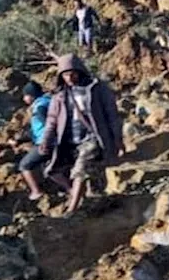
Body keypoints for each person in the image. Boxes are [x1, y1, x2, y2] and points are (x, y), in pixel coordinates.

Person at [37, 55, 122, 214]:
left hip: (93, 137)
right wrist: (46, 140)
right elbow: (52, 120)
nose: (70, 77)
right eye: (65, 74)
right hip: (69, 140)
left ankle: (72, 208)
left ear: (80, 71)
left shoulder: (97, 88)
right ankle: (91, 200)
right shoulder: (59, 95)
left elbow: (112, 114)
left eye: (72, 73)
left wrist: (117, 139)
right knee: (53, 171)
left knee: (81, 169)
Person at [18, 81, 71, 201]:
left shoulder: (40, 107)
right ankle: (70, 190)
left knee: (24, 165)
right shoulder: (49, 101)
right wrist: (20, 140)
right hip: (59, 141)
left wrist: (47, 141)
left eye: (25, 95)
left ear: (31, 95)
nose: (24, 98)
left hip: (47, 143)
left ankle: (36, 192)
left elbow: (47, 125)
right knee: (51, 170)